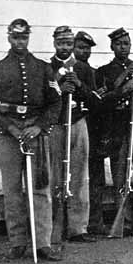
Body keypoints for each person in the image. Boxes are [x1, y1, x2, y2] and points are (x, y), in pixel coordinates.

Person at [0, 19, 62, 261]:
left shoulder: (42, 66)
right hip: (9, 134)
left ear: (29, 38)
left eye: (24, 37)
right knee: (12, 189)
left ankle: (43, 243)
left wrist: (40, 126)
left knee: (40, 188)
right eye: (15, 37)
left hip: (35, 132)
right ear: (8, 38)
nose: (20, 42)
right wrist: (10, 129)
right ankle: (17, 243)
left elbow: (55, 102)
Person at [95, 28, 133, 237]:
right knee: (120, 177)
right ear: (112, 46)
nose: (123, 48)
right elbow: (101, 102)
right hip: (118, 130)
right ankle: (122, 221)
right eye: (119, 44)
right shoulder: (104, 72)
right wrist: (123, 88)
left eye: (127, 44)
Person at [48, 26, 97, 245]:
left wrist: (78, 84)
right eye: (61, 43)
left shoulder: (83, 68)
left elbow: (95, 99)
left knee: (79, 176)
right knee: (55, 176)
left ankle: (78, 228)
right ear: (54, 44)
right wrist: (60, 88)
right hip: (56, 125)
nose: (65, 48)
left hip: (78, 122)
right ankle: (54, 226)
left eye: (68, 43)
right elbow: (42, 99)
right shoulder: (46, 68)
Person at [73, 31, 110, 236]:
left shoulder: (93, 71)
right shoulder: (69, 70)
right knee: (79, 177)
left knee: (96, 179)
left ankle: (95, 221)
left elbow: (99, 106)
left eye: (87, 48)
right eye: (80, 47)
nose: (84, 51)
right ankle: (79, 223)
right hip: (77, 125)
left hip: (93, 130)